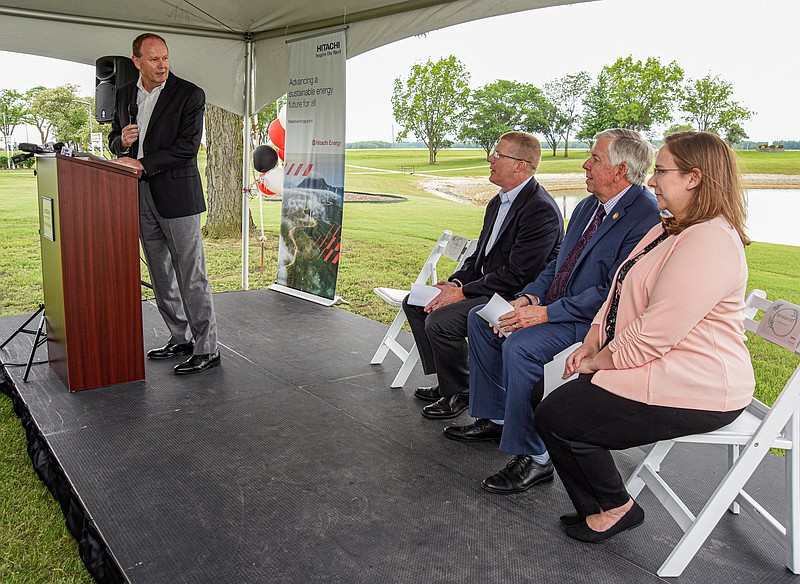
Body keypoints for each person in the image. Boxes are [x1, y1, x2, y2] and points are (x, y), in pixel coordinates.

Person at [535, 131, 755, 543]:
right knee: (546, 401)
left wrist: (599, 363)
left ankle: (616, 508)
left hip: (699, 383)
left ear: (693, 178)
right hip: (662, 363)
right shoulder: (671, 228)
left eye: (661, 171)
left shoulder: (710, 240)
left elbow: (656, 332)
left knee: (559, 416)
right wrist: (592, 341)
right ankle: (601, 506)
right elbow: (620, 288)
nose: (651, 180)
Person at [445, 129, 661, 495]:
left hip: (593, 321)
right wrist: (529, 299)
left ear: (621, 170)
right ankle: (497, 417)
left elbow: (613, 291)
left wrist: (546, 314)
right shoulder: (587, 206)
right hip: (556, 306)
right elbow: (557, 265)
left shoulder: (645, 216)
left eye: (595, 159)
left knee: (522, 346)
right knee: (483, 320)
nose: (585, 164)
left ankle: (538, 457)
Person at [403, 131, 564, 419]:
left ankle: (461, 392)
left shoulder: (540, 210)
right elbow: (479, 256)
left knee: (440, 321)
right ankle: (448, 382)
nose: (490, 158)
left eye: (499, 154)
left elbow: (518, 275)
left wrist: (463, 293)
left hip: (512, 299)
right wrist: (456, 282)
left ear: (520, 165)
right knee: (415, 303)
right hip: (484, 288)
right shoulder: (498, 202)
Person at [108, 33, 220, 375]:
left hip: (178, 197)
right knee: (159, 274)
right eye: (154, 59)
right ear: (137, 62)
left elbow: (188, 147)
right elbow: (114, 139)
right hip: (139, 194)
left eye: (165, 58)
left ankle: (207, 347)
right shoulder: (125, 94)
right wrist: (120, 141)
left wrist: (142, 163)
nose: (162, 66)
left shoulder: (189, 94)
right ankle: (180, 337)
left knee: (191, 275)